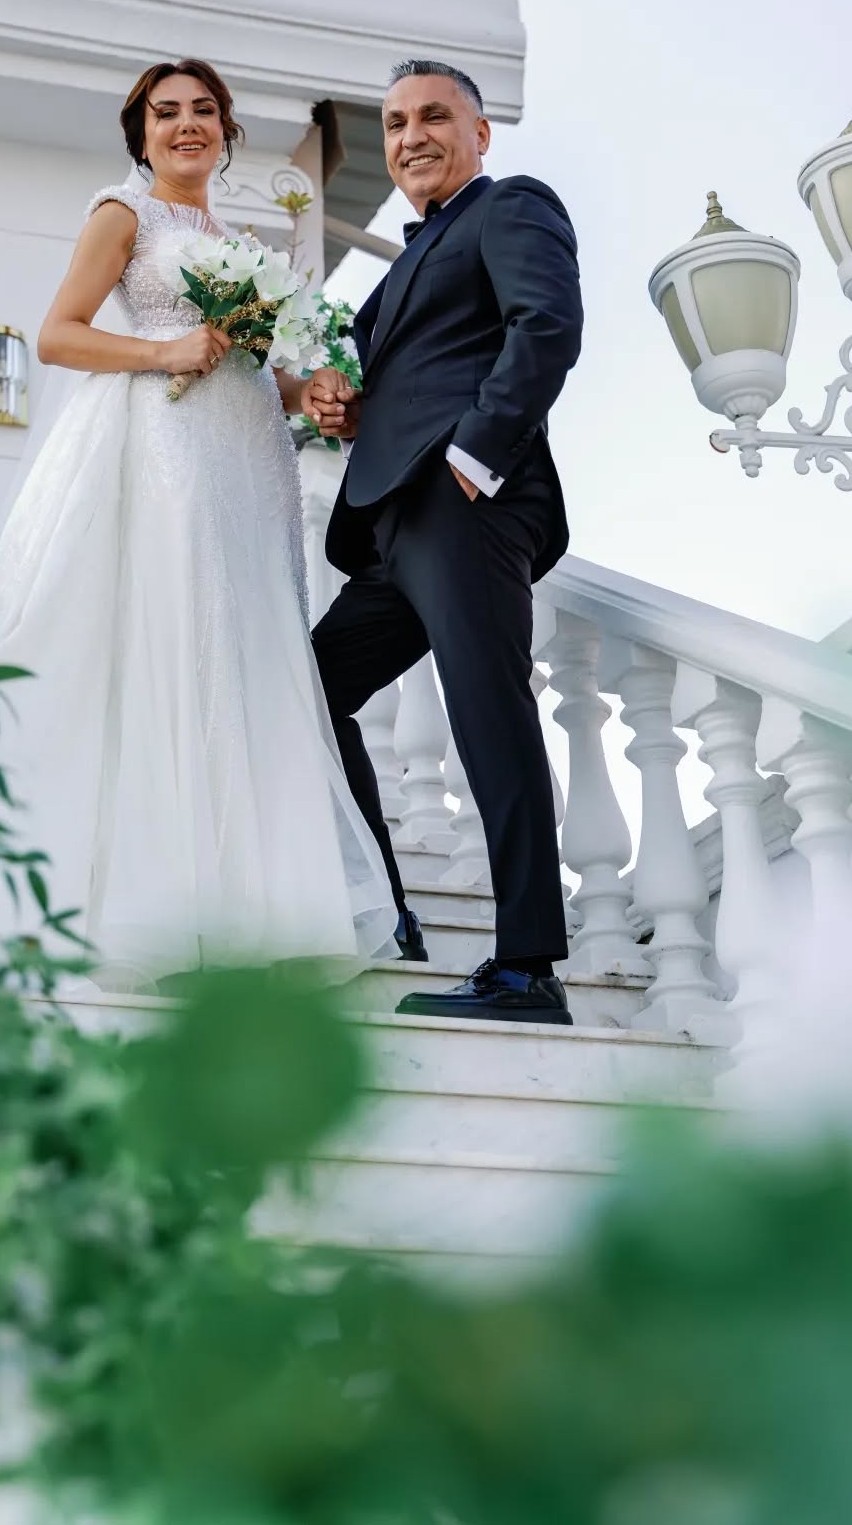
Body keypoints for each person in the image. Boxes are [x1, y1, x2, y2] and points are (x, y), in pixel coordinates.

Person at [0, 58, 397, 989]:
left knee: (250, 648)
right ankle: (178, 906)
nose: (187, 125)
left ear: (227, 131)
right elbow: (60, 333)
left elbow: (250, 364)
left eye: (205, 111)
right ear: (142, 132)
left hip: (252, 459)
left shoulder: (233, 235)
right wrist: (164, 347)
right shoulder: (123, 215)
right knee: (186, 638)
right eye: (168, 114)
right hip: (174, 454)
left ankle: (260, 904)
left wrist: (307, 390)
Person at [308, 58, 582, 1024]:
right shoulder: (402, 268)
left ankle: (527, 966)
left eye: (433, 116)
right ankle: (389, 908)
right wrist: (343, 403)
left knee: (487, 714)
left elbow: (546, 325)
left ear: (479, 133)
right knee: (307, 692)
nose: (410, 135)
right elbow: (404, 373)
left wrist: (476, 453)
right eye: (393, 123)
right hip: (391, 527)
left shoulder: (510, 206)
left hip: (464, 504)